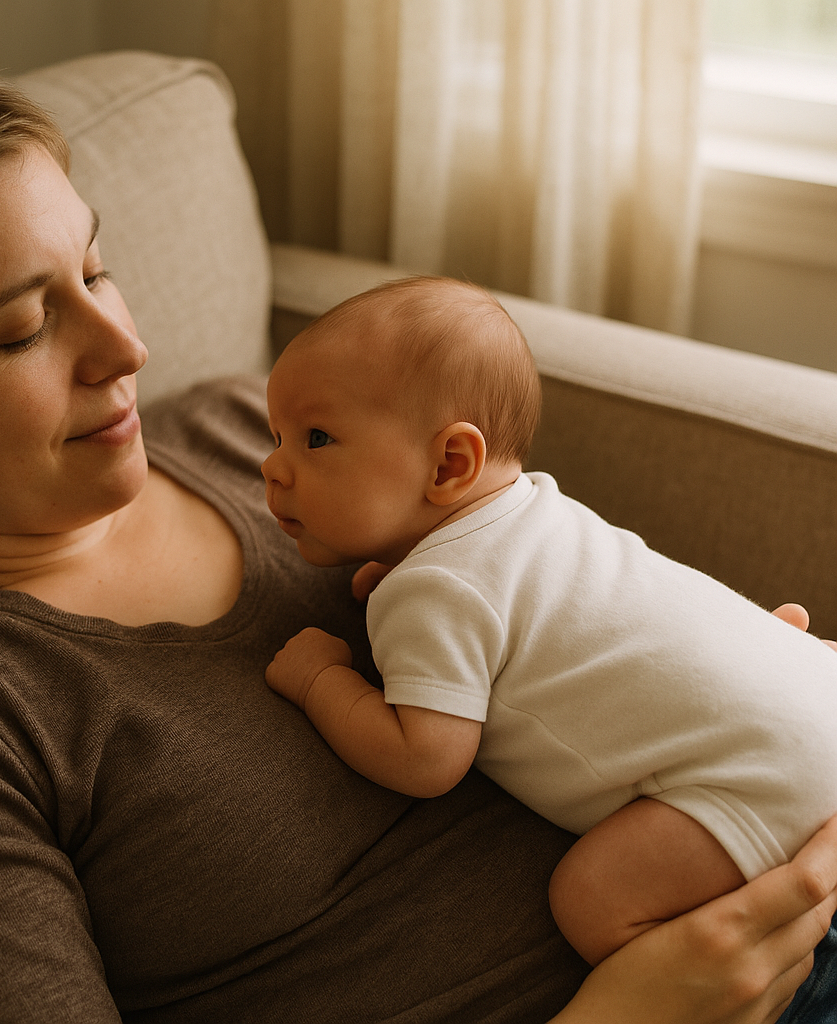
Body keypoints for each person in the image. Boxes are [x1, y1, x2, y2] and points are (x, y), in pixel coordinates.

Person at [0, 61, 834, 1024]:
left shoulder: (243, 433)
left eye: (96, 268)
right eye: (26, 328)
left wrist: (717, 670)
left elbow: (558, 591)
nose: (127, 349)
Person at [261, 277, 837, 1011]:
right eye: (275, 437)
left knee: (591, 899)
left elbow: (426, 758)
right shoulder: (534, 508)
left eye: (315, 439)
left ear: (448, 466)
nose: (274, 468)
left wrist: (321, 682)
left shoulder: (432, 593)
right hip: (810, 684)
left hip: (765, 783)